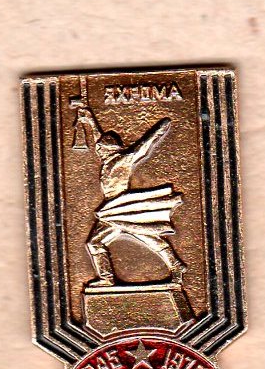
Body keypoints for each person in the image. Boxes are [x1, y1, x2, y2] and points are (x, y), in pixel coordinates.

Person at [74, 109, 186, 287]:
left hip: (121, 207)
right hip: (112, 208)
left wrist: (159, 130)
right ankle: (176, 265)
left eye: (101, 148)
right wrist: (90, 120)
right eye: (99, 148)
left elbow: (143, 147)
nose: (98, 150)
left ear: (111, 149)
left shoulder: (123, 160)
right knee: (148, 237)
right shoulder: (107, 160)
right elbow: (98, 138)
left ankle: (107, 278)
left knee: (96, 242)